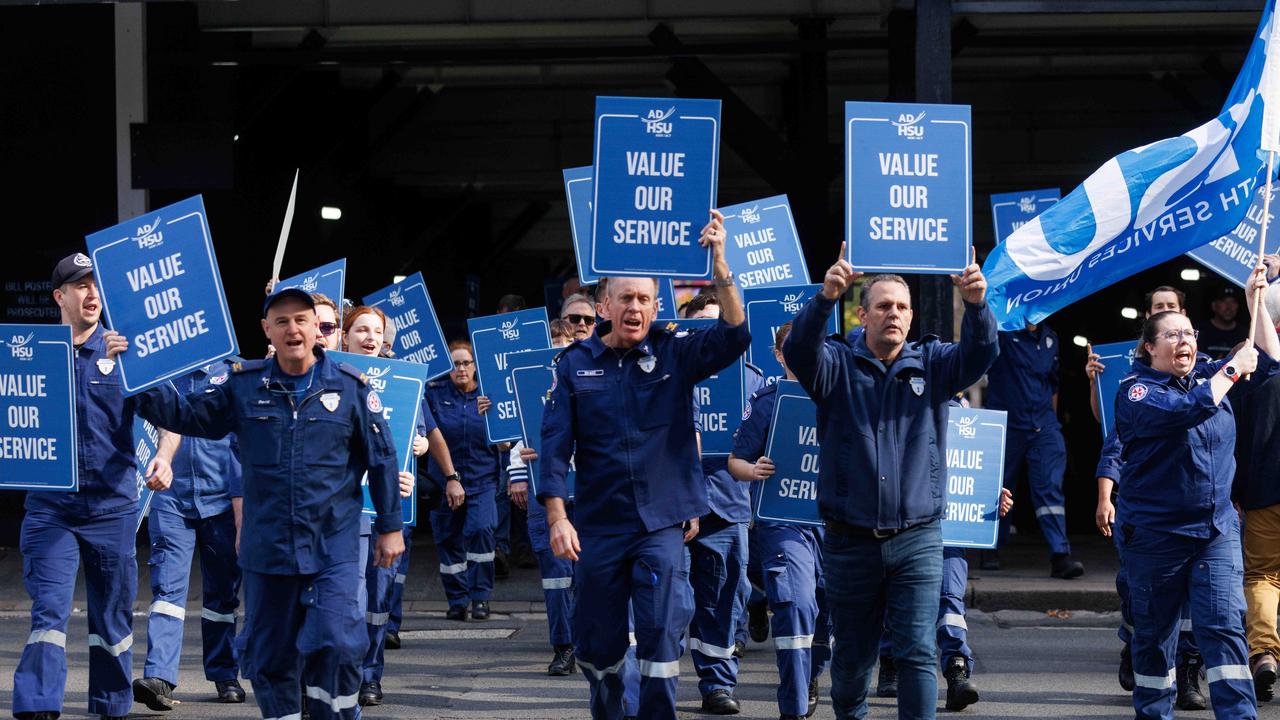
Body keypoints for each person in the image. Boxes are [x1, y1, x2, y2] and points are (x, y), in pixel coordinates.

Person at [136, 286, 405, 720]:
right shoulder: (243, 386)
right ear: (267, 329)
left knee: (335, 639)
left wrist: (391, 526)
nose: (292, 328)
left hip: (332, 544)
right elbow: (188, 415)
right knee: (269, 658)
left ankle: (334, 712)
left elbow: (383, 455)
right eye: (281, 321)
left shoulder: (351, 388)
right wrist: (137, 379)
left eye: (301, 319)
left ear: (318, 328)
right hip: (268, 548)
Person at [536, 210, 750, 719]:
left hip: (661, 523)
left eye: (644, 299)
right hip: (599, 525)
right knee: (598, 642)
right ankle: (610, 707)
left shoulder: (677, 353)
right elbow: (553, 446)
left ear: (657, 306)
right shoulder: (573, 366)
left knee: (659, 632)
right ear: (605, 304)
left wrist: (720, 264)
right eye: (625, 298)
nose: (635, 307)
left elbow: (735, 335)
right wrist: (557, 516)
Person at [782, 243, 997, 720]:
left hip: (918, 537)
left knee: (917, 652)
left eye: (901, 307)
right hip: (849, 540)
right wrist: (823, 299)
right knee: (854, 661)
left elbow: (981, 354)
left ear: (912, 315)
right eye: (883, 306)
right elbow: (799, 350)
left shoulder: (934, 363)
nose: (893, 314)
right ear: (862, 314)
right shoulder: (835, 364)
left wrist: (977, 307)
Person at [12, 253, 177, 720]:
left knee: (112, 615)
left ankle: (110, 703)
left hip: (113, 508)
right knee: (49, 612)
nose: (91, 294)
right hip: (51, 509)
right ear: (58, 297)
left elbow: (170, 417)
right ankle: (39, 705)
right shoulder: (33, 354)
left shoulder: (122, 351)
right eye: (79, 286)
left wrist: (164, 458)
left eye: (96, 286)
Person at [1115, 265, 1279, 720]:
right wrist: (1231, 368)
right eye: (1171, 336)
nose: (1184, 340)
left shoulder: (1211, 373)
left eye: (1188, 332)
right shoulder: (1136, 389)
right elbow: (1185, 410)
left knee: (1225, 628)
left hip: (1215, 531)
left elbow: (1269, 356)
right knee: (1154, 637)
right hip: (1155, 536)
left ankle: (1239, 715)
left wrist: (1255, 302)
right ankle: (1154, 711)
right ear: (1149, 348)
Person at [1088, 285, 1206, 709]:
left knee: (1196, 606)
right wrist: (1106, 495)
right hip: (1148, 515)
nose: (1178, 334)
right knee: (1140, 598)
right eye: (1160, 313)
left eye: (1176, 315)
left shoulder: (1205, 377)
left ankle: (1188, 673)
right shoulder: (1134, 383)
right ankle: (1137, 653)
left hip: (1196, 516)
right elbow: (1115, 436)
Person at [728, 321, 830, 720]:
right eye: (794, 349)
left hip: (838, 525)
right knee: (796, 604)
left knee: (829, 610)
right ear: (779, 355)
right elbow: (736, 459)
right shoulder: (768, 400)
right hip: (784, 523)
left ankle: (811, 675)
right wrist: (752, 471)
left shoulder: (845, 395)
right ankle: (794, 704)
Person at [131, 361, 247, 712]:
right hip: (170, 499)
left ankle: (225, 673)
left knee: (222, 596)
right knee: (167, 591)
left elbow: (243, 448)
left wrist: (242, 517)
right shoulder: (155, 372)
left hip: (223, 503)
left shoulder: (235, 375)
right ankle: (160, 677)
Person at [338, 306, 431, 707]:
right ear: (346, 337)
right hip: (346, 506)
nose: (370, 337)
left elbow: (423, 437)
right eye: (361, 329)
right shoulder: (332, 377)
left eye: (377, 331)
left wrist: (418, 447)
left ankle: (370, 675)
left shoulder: (404, 381)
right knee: (351, 597)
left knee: (378, 598)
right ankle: (344, 672)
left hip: (390, 505)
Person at [982, 318, 1081, 579]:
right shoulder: (1002, 332)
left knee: (1050, 488)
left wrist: (1053, 423)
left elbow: (1053, 384)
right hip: (1007, 424)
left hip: (1044, 425)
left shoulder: (1051, 338)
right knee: (999, 487)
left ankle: (1060, 556)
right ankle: (989, 548)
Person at [1229, 281, 1280, 702]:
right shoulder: (1272, 372)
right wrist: (1254, 301)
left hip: (1264, 495)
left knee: (1263, 577)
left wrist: (1254, 302)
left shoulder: (1248, 385)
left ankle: (1263, 652)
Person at [426, 340, 501, 621]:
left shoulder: (489, 396)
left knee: (481, 530)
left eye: (465, 363)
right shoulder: (433, 395)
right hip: (444, 482)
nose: (460, 369)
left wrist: (494, 415)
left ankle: (480, 598)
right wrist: (449, 478)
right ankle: (457, 600)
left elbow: (506, 442)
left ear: (474, 366)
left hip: (482, 480)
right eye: (454, 364)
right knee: (448, 539)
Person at [1198, 285, 1249, 360]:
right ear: (1214, 305)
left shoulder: (1244, 334)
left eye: (1233, 302)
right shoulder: (1199, 331)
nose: (1229, 307)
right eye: (1223, 301)